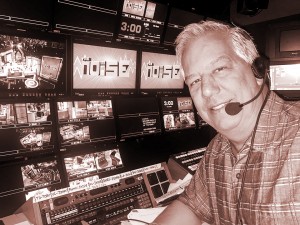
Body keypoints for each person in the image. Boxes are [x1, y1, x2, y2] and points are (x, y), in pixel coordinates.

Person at [151, 20, 300, 225]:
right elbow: (191, 205)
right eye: (195, 81)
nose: (207, 90)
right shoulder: (218, 150)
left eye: (219, 69)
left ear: (258, 70)